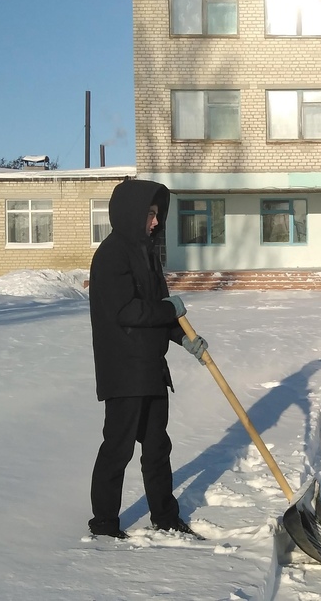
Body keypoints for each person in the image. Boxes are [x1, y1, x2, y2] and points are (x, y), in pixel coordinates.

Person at [87, 179, 208, 539]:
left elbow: (160, 313)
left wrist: (185, 338)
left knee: (157, 448)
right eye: (150, 214)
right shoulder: (111, 256)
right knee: (118, 448)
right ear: (131, 213)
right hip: (124, 371)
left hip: (151, 367)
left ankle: (166, 517)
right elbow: (128, 311)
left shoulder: (147, 254)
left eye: (158, 214)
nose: (156, 222)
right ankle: (105, 524)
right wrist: (166, 309)